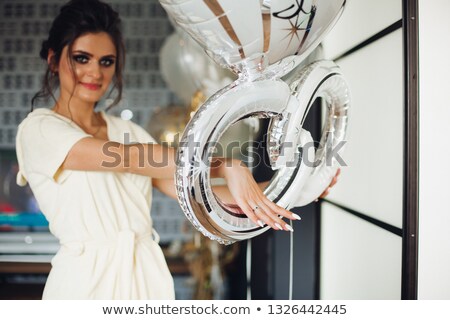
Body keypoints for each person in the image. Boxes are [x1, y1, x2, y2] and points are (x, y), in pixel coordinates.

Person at [15, 0, 338, 300]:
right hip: (85, 282)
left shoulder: (127, 131)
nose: (95, 72)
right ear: (54, 60)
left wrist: (288, 190)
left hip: (145, 277)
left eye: (106, 61)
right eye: (81, 58)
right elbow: (127, 157)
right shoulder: (40, 129)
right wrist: (225, 164)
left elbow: (192, 190)